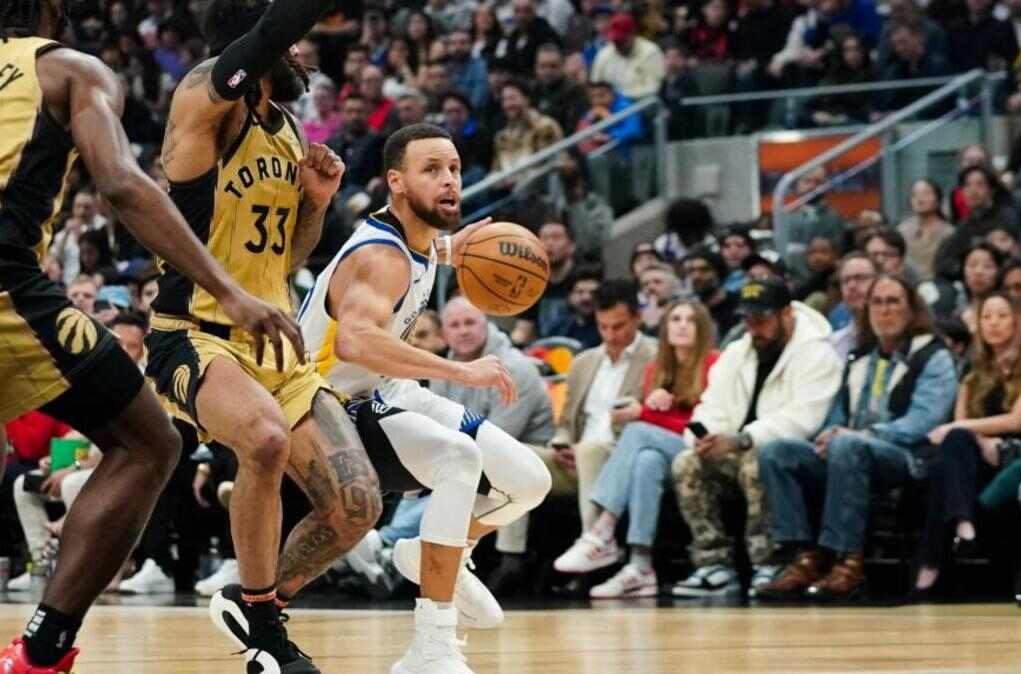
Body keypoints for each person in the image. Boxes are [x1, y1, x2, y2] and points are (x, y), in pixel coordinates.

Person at [0, 2, 306, 673]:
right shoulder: (66, 68)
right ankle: (44, 648)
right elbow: (122, 186)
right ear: (49, 10)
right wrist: (226, 288)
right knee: (149, 442)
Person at [148, 1, 383, 671]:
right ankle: (266, 627)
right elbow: (272, 31)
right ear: (256, 45)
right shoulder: (203, 100)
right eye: (289, 47)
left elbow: (286, 260)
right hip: (194, 333)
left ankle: (253, 599)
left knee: (357, 506)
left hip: (274, 344)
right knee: (266, 440)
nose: (301, 57)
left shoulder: (284, 131)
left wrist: (314, 203)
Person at [298, 123, 552, 673]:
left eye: (455, 169)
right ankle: (430, 645)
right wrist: (461, 369)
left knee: (531, 481)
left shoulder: (416, 244)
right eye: (432, 169)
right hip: (328, 406)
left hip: (385, 393)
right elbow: (356, 342)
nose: (449, 180)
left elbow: (422, 252)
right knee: (459, 459)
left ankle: (438, 555)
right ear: (396, 181)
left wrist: (449, 249)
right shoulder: (381, 257)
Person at [757, 275, 956, 600]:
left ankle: (849, 561)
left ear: (911, 309)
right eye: (877, 302)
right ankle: (802, 556)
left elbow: (923, 422)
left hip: (907, 457)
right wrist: (828, 435)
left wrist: (861, 434)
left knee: (849, 445)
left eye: (893, 302)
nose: (884, 310)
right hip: (849, 450)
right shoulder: (858, 356)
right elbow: (837, 414)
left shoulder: (933, 356)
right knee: (778, 451)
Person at [671, 278, 843, 596]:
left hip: (797, 454)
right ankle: (714, 564)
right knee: (687, 462)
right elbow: (712, 405)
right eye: (748, 319)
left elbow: (804, 419)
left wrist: (742, 439)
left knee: (758, 460)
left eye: (762, 319)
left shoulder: (818, 353)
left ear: (787, 314)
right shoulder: (738, 351)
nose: (754, 327)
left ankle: (769, 562)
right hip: (736, 445)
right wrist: (704, 436)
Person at [553, 299, 719, 598]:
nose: (682, 325)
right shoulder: (657, 367)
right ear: (665, 327)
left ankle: (603, 530)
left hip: (704, 449)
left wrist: (643, 413)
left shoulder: (715, 363)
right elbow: (660, 423)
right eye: (675, 319)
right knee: (646, 462)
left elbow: (699, 425)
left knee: (638, 431)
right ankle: (641, 567)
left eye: (690, 320)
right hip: (667, 452)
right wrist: (648, 413)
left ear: (703, 328)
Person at [430, 297, 556, 594]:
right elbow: (433, 427)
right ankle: (397, 549)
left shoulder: (514, 367)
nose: (463, 331)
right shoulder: (444, 367)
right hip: (464, 450)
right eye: (455, 325)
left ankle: (506, 562)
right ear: (445, 333)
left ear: (487, 325)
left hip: (529, 450)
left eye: (470, 322)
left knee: (480, 471)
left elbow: (502, 437)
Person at [913, 292, 1021, 598]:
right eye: (986, 316)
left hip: (1014, 460)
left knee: (948, 456)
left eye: (1002, 316)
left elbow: (1016, 421)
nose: (994, 323)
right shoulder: (972, 376)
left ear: (1016, 321)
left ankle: (932, 562)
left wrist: (959, 428)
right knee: (954, 447)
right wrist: (977, 437)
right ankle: (963, 524)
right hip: (977, 460)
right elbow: (961, 428)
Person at [897, 178, 953, 282]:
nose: (920, 198)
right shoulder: (902, 230)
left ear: (938, 200)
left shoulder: (949, 232)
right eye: (915, 195)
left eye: (926, 193)